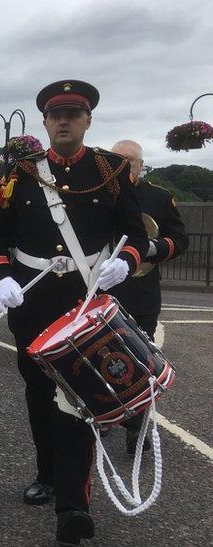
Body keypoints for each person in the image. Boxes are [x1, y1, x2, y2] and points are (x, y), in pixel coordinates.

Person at [0, 80, 148, 546]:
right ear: (46, 122)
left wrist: (126, 261)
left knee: (78, 396)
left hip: (86, 301)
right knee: (38, 392)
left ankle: (73, 506)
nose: (65, 121)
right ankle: (48, 473)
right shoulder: (22, 173)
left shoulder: (111, 170)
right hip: (32, 302)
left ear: (88, 120)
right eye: (57, 115)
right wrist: (3, 278)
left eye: (74, 113)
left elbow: (135, 234)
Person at [108, 139, 188, 455]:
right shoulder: (96, 195)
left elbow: (180, 239)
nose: (126, 166)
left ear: (142, 165)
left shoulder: (159, 197)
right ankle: (102, 417)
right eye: (118, 160)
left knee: (140, 362)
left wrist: (153, 248)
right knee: (101, 355)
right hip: (102, 289)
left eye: (131, 161)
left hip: (141, 292)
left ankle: (136, 427)